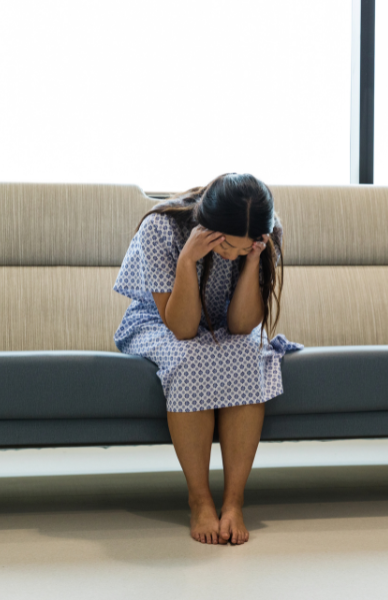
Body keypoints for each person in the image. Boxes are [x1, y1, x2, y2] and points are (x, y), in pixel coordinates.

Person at [113, 172, 302, 545]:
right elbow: (181, 329)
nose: (230, 253)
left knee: (251, 355)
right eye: (227, 245)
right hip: (161, 322)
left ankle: (234, 501)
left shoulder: (262, 236)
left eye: (241, 247)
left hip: (221, 327)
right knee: (190, 357)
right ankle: (199, 499)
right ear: (207, 225)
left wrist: (251, 263)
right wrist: (187, 261)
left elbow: (242, 325)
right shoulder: (160, 229)